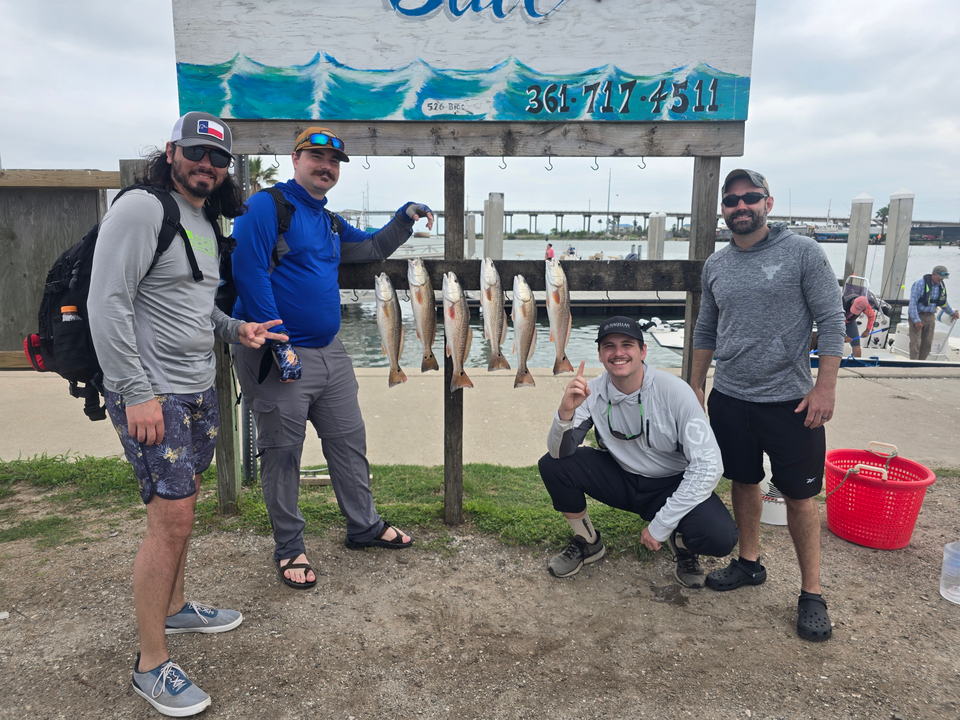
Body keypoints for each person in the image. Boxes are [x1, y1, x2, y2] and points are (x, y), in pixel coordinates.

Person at [88, 112, 287, 715]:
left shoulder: (200, 219)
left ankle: (175, 610)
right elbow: (107, 303)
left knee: (184, 505)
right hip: (155, 393)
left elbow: (194, 307)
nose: (207, 165)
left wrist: (236, 328)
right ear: (172, 151)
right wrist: (134, 391)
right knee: (168, 521)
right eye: (197, 152)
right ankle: (151, 664)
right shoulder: (143, 209)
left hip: (198, 387)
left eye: (217, 158)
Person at [231, 127, 434, 589]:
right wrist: (278, 341)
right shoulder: (266, 206)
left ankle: (363, 525)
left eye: (334, 161)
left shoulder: (328, 221)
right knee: (282, 454)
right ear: (295, 158)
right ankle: (289, 546)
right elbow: (248, 272)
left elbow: (373, 248)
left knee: (348, 441)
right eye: (316, 156)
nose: (326, 166)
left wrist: (403, 218)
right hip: (277, 352)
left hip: (331, 353)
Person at [690, 168, 845, 642]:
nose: (741, 207)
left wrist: (825, 387)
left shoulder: (803, 252)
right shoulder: (715, 265)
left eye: (750, 198)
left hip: (792, 403)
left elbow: (832, 318)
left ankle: (812, 592)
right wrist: (694, 386)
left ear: (768, 202)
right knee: (744, 480)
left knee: (800, 497)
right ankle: (749, 562)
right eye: (732, 200)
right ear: (723, 209)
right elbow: (705, 330)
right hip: (731, 398)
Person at [538, 317, 738, 588]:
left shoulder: (675, 392)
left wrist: (662, 525)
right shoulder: (591, 391)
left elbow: (709, 465)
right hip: (621, 477)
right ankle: (588, 543)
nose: (618, 353)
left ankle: (680, 542)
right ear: (600, 354)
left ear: (643, 351)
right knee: (552, 466)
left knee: (720, 537)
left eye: (627, 345)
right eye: (609, 346)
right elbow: (560, 453)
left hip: (671, 483)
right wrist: (565, 414)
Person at [907, 264, 959, 360]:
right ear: (933, 274)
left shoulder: (940, 286)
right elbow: (913, 303)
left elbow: (943, 303)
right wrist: (916, 320)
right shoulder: (919, 284)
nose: (941, 280)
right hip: (918, 315)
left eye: (943, 278)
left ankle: (921, 364)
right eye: (939, 277)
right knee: (916, 343)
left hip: (931, 317)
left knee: (927, 343)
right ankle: (913, 364)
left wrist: (951, 312)